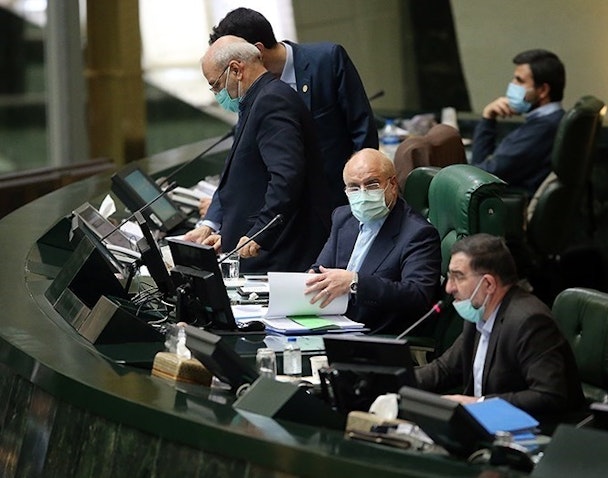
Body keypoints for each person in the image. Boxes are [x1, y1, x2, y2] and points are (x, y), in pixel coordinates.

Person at [183, 36, 331, 273]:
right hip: (263, 247)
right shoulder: (257, 100)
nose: (216, 93)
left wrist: (259, 234)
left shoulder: (272, 100)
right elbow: (254, 179)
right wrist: (229, 236)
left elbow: (286, 176)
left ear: (236, 70)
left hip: (281, 252)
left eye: (216, 85)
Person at [209, 7, 379, 208]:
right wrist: (212, 218)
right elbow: (241, 159)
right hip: (289, 212)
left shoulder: (327, 60)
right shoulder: (248, 88)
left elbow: (363, 131)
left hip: (340, 201)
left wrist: (360, 195)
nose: (235, 73)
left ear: (257, 51)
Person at [414, 233, 584, 422]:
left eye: (458, 277)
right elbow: (444, 370)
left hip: (538, 434)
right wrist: (391, 383)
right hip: (488, 427)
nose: (449, 288)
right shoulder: (478, 312)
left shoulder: (529, 322)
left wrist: (478, 403)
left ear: (488, 284)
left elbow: (548, 396)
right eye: (449, 277)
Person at [304, 148, 441, 335]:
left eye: (372, 184)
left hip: (373, 333)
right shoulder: (343, 217)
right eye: (353, 186)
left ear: (392, 185)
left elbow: (418, 295)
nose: (362, 193)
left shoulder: (418, 233)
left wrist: (355, 283)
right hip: (330, 321)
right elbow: (321, 267)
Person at [470, 49, 566, 197]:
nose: (512, 85)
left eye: (519, 81)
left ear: (543, 90)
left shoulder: (542, 129)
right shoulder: (554, 120)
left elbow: (480, 176)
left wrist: (487, 118)